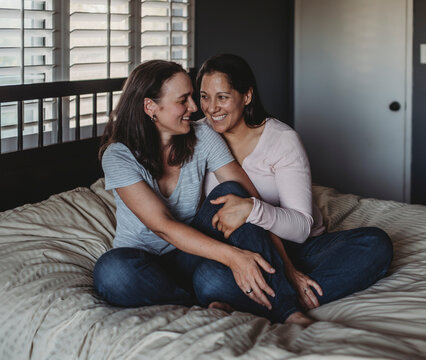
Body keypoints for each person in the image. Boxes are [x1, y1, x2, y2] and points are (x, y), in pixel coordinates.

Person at [92, 60, 313, 325]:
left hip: (195, 253)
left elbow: (250, 203)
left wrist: (287, 268)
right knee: (112, 272)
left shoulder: (203, 136)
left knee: (231, 192)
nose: (196, 108)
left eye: (193, 98)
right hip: (145, 261)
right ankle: (199, 300)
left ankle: (287, 310)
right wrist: (234, 257)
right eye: (183, 100)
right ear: (151, 107)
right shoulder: (119, 155)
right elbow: (163, 226)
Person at [195, 54, 393, 311]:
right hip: (239, 251)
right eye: (204, 96)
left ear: (246, 96)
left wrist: (252, 209)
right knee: (206, 279)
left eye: (222, 97)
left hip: (296, 248)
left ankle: (269, 300)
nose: (211, 108)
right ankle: (283, 300)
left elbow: (301, 227)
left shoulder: (281, 139)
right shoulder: (197, 136)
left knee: (375, 245)